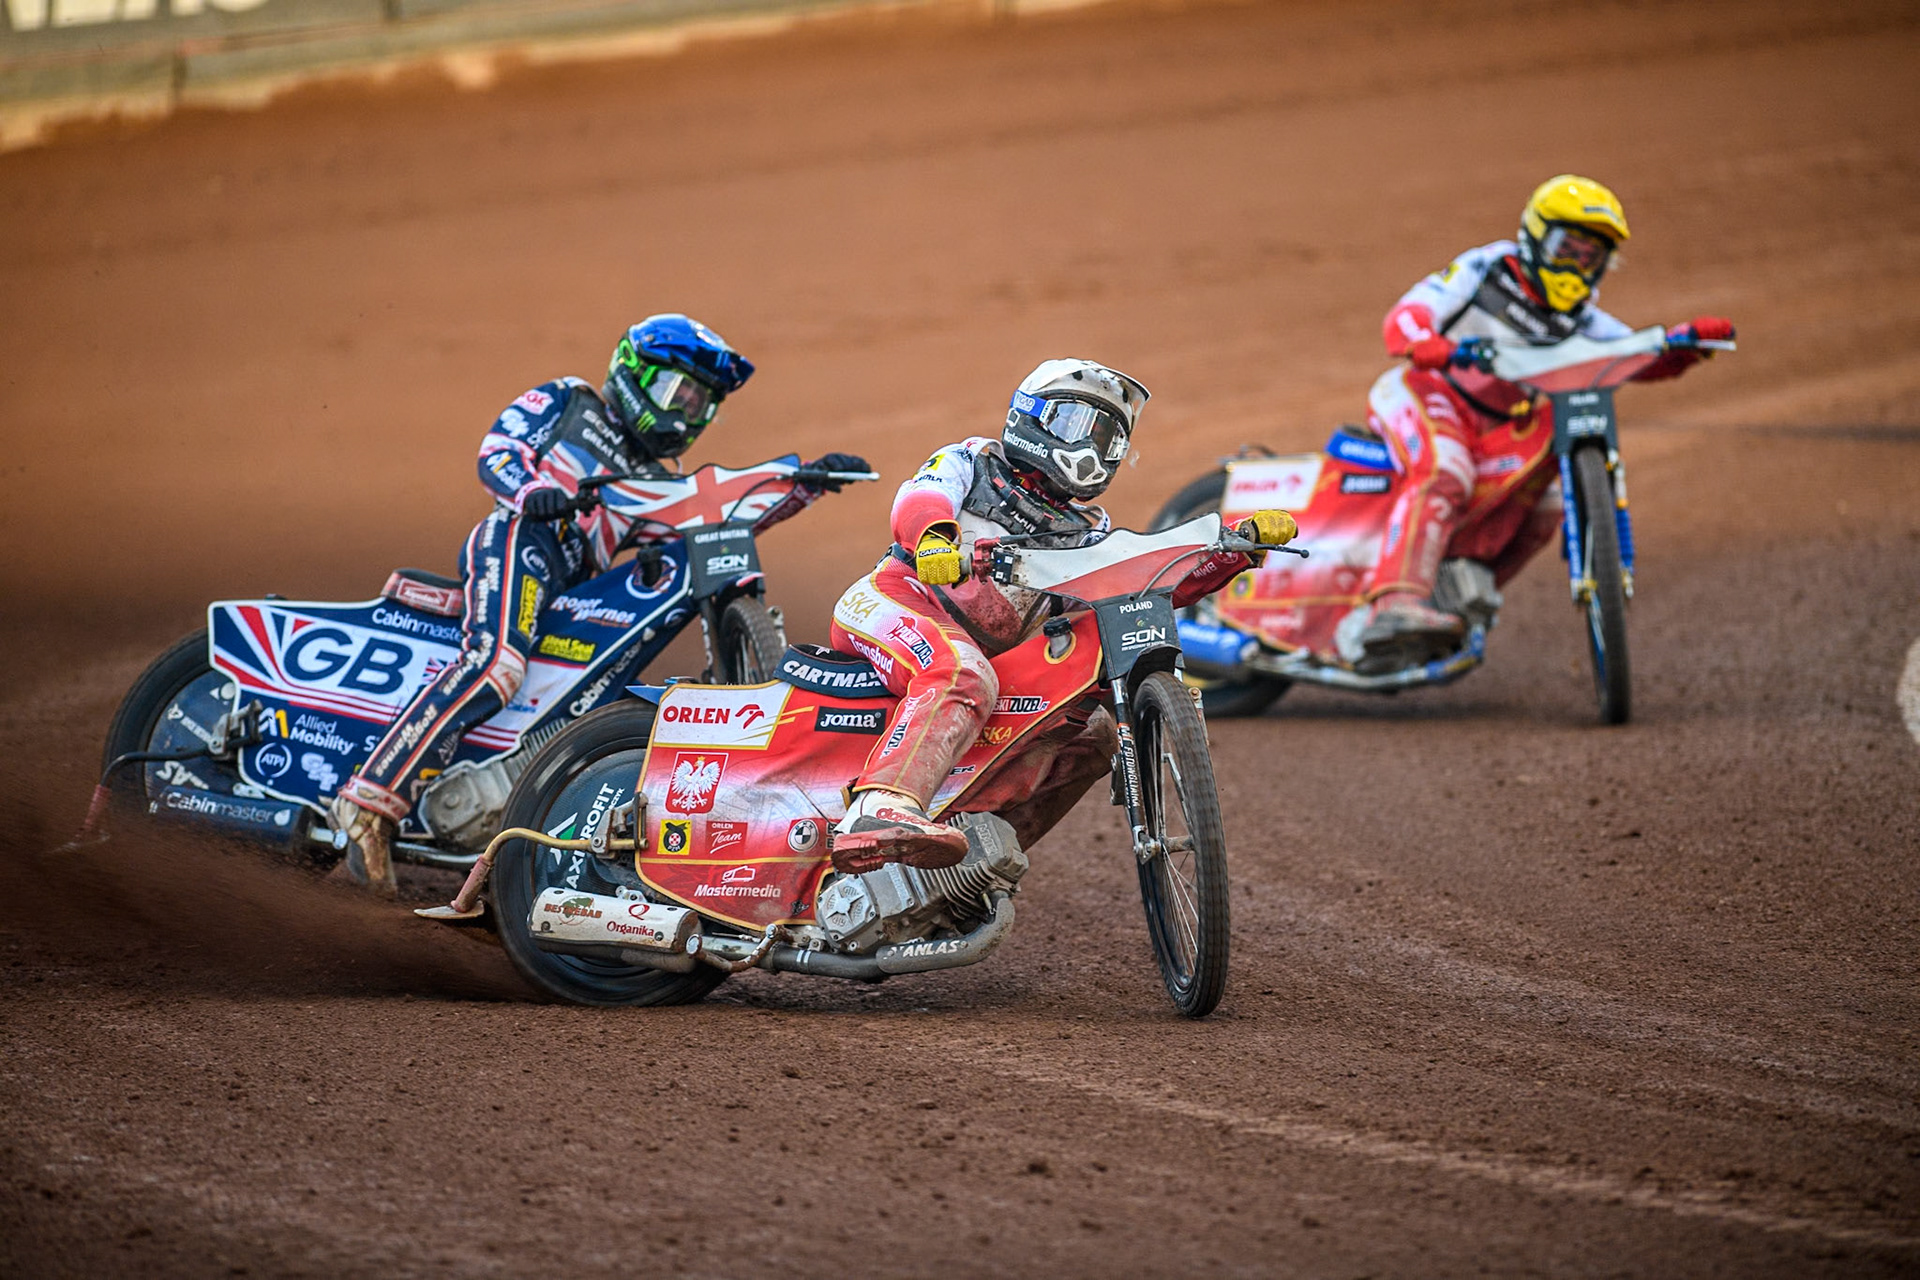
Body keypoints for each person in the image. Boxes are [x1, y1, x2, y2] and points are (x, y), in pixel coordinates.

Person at [329, 314, 866, 896]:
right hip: (519, 540)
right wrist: (534, 492)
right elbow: (500, 449)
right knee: (496, 664)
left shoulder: (652, 479)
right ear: (634, 374)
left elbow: (700, 518)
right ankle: (370, 805)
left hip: (571, 584)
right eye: (676, 393)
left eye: (699, 404)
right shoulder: (568, 400)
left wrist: (801, 485)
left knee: (573, 714)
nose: (685, 414)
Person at [826, 358, 1294, 872]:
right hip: (897, 599)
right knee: (962, 673)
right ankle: (879, 808)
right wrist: (935, 535)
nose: (1090, 450)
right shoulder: (974, 461)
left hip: (984, 652)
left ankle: (979, 861)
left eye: (1107, 439)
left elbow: (1143, 586)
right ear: (1031, 417)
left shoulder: (1090, 528)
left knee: (1094, 734)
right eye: (1076, 426)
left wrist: (1231, 551)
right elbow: (919, 497)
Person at [1358, 174, 1735, 667]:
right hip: (1428, 393)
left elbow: (1629, 355)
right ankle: (1395, 604)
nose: (1576, 268)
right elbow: (1408, 313)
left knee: (1549, 504)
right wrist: (1424, 341)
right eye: (1567, 250)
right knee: (1444, 471)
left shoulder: (1583, 318)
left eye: (1590, 258)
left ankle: (1456, 593)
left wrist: (1683, 346)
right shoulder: (1488, 267)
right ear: (1534, 236)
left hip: (1499, 426)